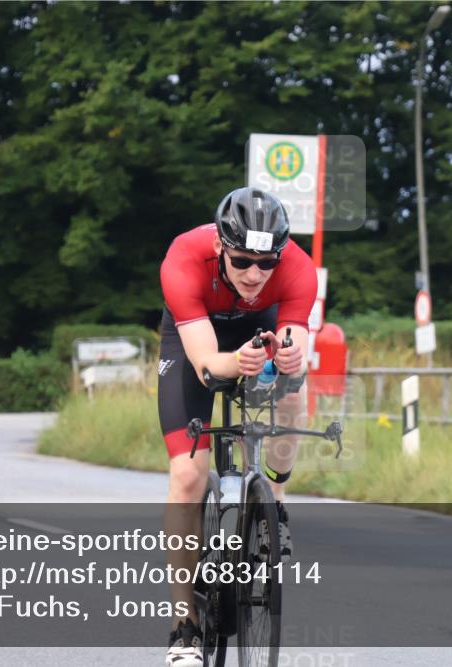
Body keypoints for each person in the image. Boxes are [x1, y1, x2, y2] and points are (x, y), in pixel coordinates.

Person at [158, 187, 316, 666]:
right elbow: (206, 364)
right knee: (187, 475)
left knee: (295, 388)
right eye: (243, 261)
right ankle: (183, 625)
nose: (254, 274)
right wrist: (234, 362)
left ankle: (277, 506)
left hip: (258, 329)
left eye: (266, 264)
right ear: (221, 249)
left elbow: (296, 339)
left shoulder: (297, 268)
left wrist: (289, 355)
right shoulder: (184, 257)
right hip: (196, 335)